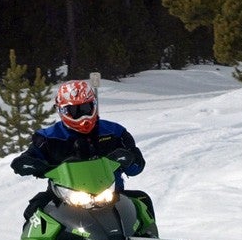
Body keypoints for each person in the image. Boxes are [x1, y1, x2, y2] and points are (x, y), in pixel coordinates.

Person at [11, 79, 146, 219]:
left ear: (94, 105)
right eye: (75, 111)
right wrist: (28, 164)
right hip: (63, 198)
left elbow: (137, 165)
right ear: (62, 110)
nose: (82, 115)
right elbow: (29, 156)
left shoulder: (115, 132)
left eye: (86, 108)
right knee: (33, 213)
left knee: (142, 202)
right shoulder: (47, 138)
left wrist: (129, 159)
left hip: (111, 196)